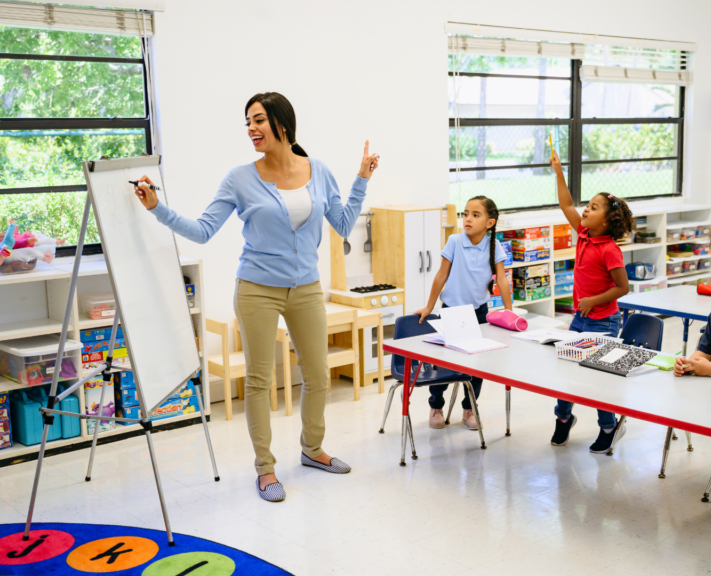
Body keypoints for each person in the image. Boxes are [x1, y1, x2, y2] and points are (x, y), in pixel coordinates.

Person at [132, 92, 380, 502]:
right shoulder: (240, 178)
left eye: (259, 120)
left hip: (306, 288)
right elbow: (203, 230)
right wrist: (159, 208)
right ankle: (265, 469)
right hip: (256, 289)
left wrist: (362, 179)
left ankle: (312, 450)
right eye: (248, 121)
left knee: (317, 375)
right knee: (260, 381)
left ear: (283, 123)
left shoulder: (318, 171)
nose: (251, 128)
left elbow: (343, 222)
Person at [547, 149, 632, 454]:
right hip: (581, 318)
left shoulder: (610, 249)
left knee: (597, 379)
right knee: (567, 371)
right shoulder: (583, 233)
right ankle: (563, 418)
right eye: (588, 205)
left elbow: (623, 287)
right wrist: (558, 170)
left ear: (608, 221)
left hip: (605, 321)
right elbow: (566, 203)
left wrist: (593, 299)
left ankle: (608, 427)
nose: (585, 210)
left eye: (593, 207)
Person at [413, 196, 513, 430]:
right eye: (466, 213)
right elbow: (441, 275)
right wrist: (429, 306)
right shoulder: (455, 241)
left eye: (475, 215)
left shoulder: (493, 245)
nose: (467, 219)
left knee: (476, 365)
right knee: (444, 362)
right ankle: (436, 404)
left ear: (490, 223)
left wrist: (510, 312)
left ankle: (469, 407)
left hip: (479, 313)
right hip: (452, 312)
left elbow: (502, 280)